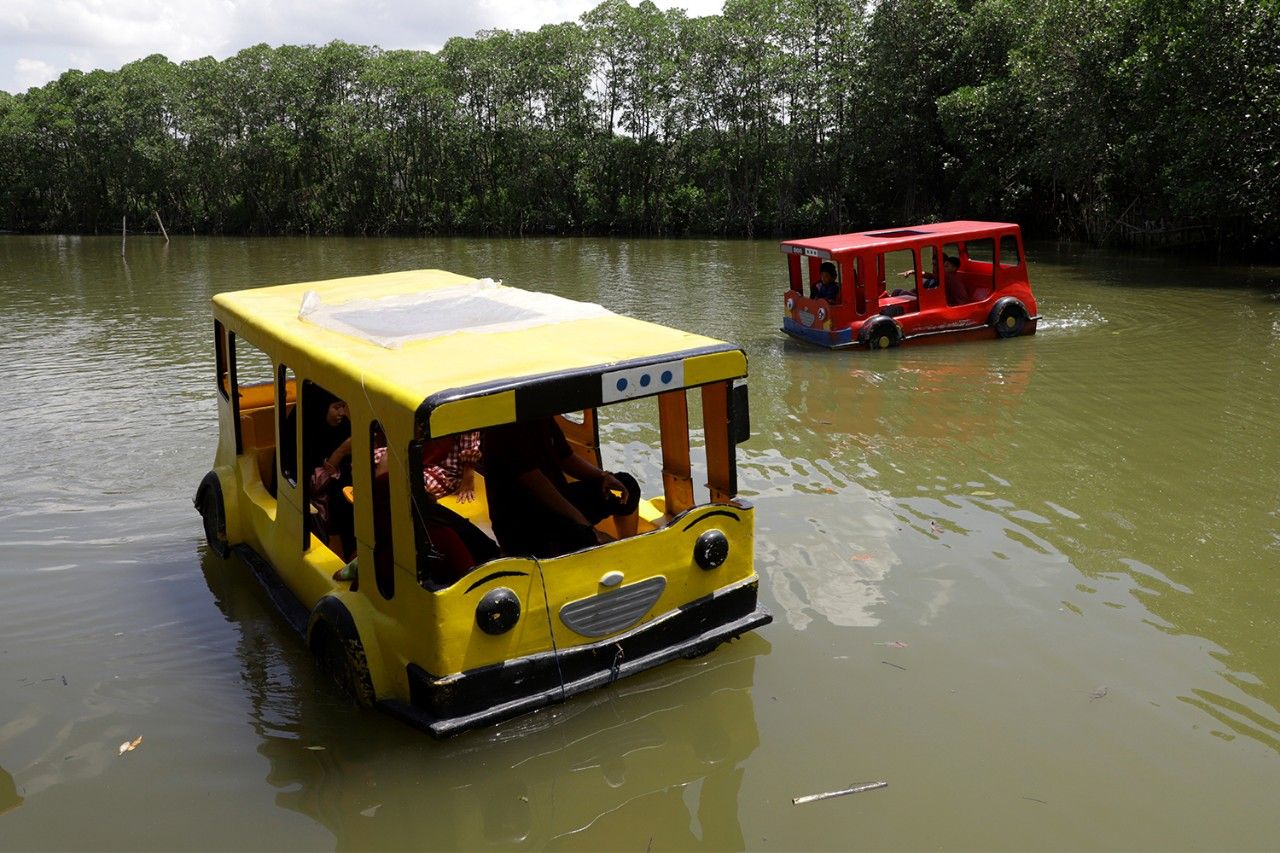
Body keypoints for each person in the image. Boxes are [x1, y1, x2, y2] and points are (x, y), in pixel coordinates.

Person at [482, 417, 640, 559]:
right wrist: (588, 527)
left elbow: (566, 457)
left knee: (626, 485)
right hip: (521, 522)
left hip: (556, 503)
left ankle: (628, 549)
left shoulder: (541, 416)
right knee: (583, 536)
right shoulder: (504, 427)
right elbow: (539, 486)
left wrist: (604, 476)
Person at [303, 389, 355, 559]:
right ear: (322, 408)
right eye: (336, 407)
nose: (341, 413)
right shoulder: (307, 435)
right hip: (316, 500)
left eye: (343, 407)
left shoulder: (344, 428)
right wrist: (339, 453)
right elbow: (311, 486)